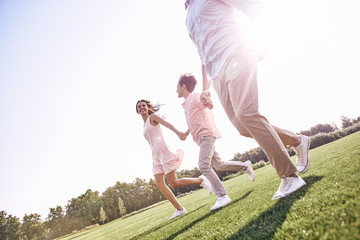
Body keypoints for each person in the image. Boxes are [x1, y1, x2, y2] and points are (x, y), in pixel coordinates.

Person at [184, 0, 311, 200]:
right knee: (243, 127)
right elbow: (201, 53)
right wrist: (205, 88)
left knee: (247, 114)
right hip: (216, 74)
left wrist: (261, 39)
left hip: (237, 52)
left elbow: (247, 4)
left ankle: (289, 176)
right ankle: (297, 140)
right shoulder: (188, 15)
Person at [176, 74, 255, 210]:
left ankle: (222, 195)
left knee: (203, 165)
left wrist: (208, 102)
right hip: (202, 139)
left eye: (177, 87)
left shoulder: (194, 97)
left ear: (183, 86)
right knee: (220, 165)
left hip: (207, 135)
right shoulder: (187, 103)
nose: (176, 90)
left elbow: (206, 104)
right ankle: (245, 166)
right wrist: (187, 133)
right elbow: (193, 119)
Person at [136, 99, 213, 220]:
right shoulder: (144, 123)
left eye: (143, 106)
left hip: (164, 152)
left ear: (148, 108)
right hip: (156, 156)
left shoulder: (153, 117)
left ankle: (200, 180)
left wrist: (179, 133)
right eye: (139, 106)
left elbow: (167, 124)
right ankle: (179, 209)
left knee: (174, 183)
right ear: (137, 110)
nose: (141, 108)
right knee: (160, 184)